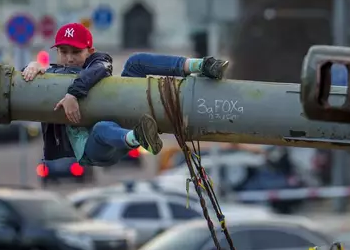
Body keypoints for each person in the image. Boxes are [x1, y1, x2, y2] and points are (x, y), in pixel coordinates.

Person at [21, 22, 229, 169]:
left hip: (119, 120)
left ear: (89, 51)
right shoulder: (52, 74)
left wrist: (73, 94)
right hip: (93, 148)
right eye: (63, 52)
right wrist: (31, 66)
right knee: (102, 128)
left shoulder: (98, 64)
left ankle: (201, 65)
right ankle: (139, 138)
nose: (69, 58)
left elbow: (101, 67)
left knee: (135, 62)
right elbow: (24, 82)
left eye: (76, 52)